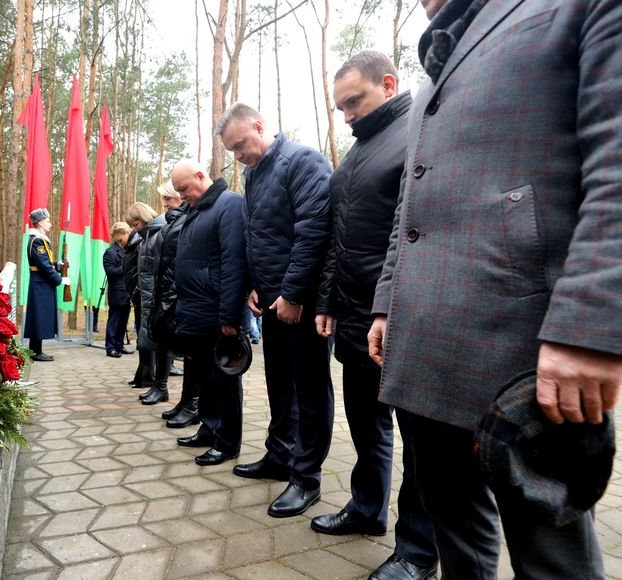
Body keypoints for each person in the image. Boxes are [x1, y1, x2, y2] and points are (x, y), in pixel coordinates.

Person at [367, 1, 622, 577]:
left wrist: (589, 325)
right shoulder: (433, 65)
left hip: (525, 347)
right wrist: (387, 304)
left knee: (550, 558)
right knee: (454, 528)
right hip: (423, 343)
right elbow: (409, 203)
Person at [311, 51, 437, 580]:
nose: (346, 116)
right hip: (353, 317)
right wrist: (326, 300)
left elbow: (412, 231)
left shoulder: (417, 134)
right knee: (365, 424)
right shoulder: (355, 154)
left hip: (401, 317)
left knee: (419, 440)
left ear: (388, 84)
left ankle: (418, 551)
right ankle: (367, 509)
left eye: (354, 102)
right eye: (339, 108)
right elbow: (337, 238)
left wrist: (388, 305)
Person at [217, 103, 334, 518]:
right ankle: (279, 456)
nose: (238, 156)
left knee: (310, 389)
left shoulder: (301, 162)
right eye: (232, 150)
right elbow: (255, 235)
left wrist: (294, 294)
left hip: (297, 306)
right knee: (279, 385)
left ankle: (306, 479)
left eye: (241, 145)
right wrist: (253, 285)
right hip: (270, 303)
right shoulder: (253, 176)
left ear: (260, 127)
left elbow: (313, 231)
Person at [170, 159, 247, 466]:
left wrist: (230, 317)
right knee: (204, 377)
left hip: (217, 313)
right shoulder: (196, 210)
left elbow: (233, 264)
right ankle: (209, 427)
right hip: (195, 311)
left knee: (224, 380)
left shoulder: (229, 206)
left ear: (201, 176)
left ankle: (228, 442)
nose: (182, 195)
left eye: (184, 188)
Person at [150, 180, 196, 428]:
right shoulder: (173, 222)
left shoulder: (183, 222)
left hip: (179, 297)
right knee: (183, 351)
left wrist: (170, 297)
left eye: (170, 198)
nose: (166, 204)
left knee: (191, 353)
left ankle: (192, 402)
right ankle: (186, 401)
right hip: (169, 295)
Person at [126, 202, 169, 405]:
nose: (134, 230)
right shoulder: (147, 237)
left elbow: (159, 271)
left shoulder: (158, 234)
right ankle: (155, 383)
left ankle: (160, 385)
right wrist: (136, 292)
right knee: (153, 341)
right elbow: (145, 271)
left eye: (135, 225)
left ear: (142, 219)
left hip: (157, 299)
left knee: (161, 343)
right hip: (147, 296)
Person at [24, 208, 61, 362]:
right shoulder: (37, 241)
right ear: (39, 222)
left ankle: (36, 350)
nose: (50, 224)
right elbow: (43, 266)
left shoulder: (40, 239)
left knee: (39, 316)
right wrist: (58, 279)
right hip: (40, 283)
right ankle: (35, 351)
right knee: (38, 317)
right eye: (47, 221)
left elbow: (46, 262)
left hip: (42, 282)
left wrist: (57, 265)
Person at [123, 226, 151, 389]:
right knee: (142, 338)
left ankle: (148, 377)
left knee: (146, 338)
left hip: (142, 295)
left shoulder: (140, 244)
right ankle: (142, 375)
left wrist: (135, 294)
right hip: (138, 296)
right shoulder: (134, 245)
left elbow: (142, 273)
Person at [103, 222, 132, 358]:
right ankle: (110, 347)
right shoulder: (110, 252)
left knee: (123, 321)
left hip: (127, 292)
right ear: (120, 235)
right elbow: (110, 272)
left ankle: (119, 345)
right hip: (117, 292)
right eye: (127, 232)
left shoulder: (128, 249)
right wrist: (127, 267)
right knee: (114, 321)